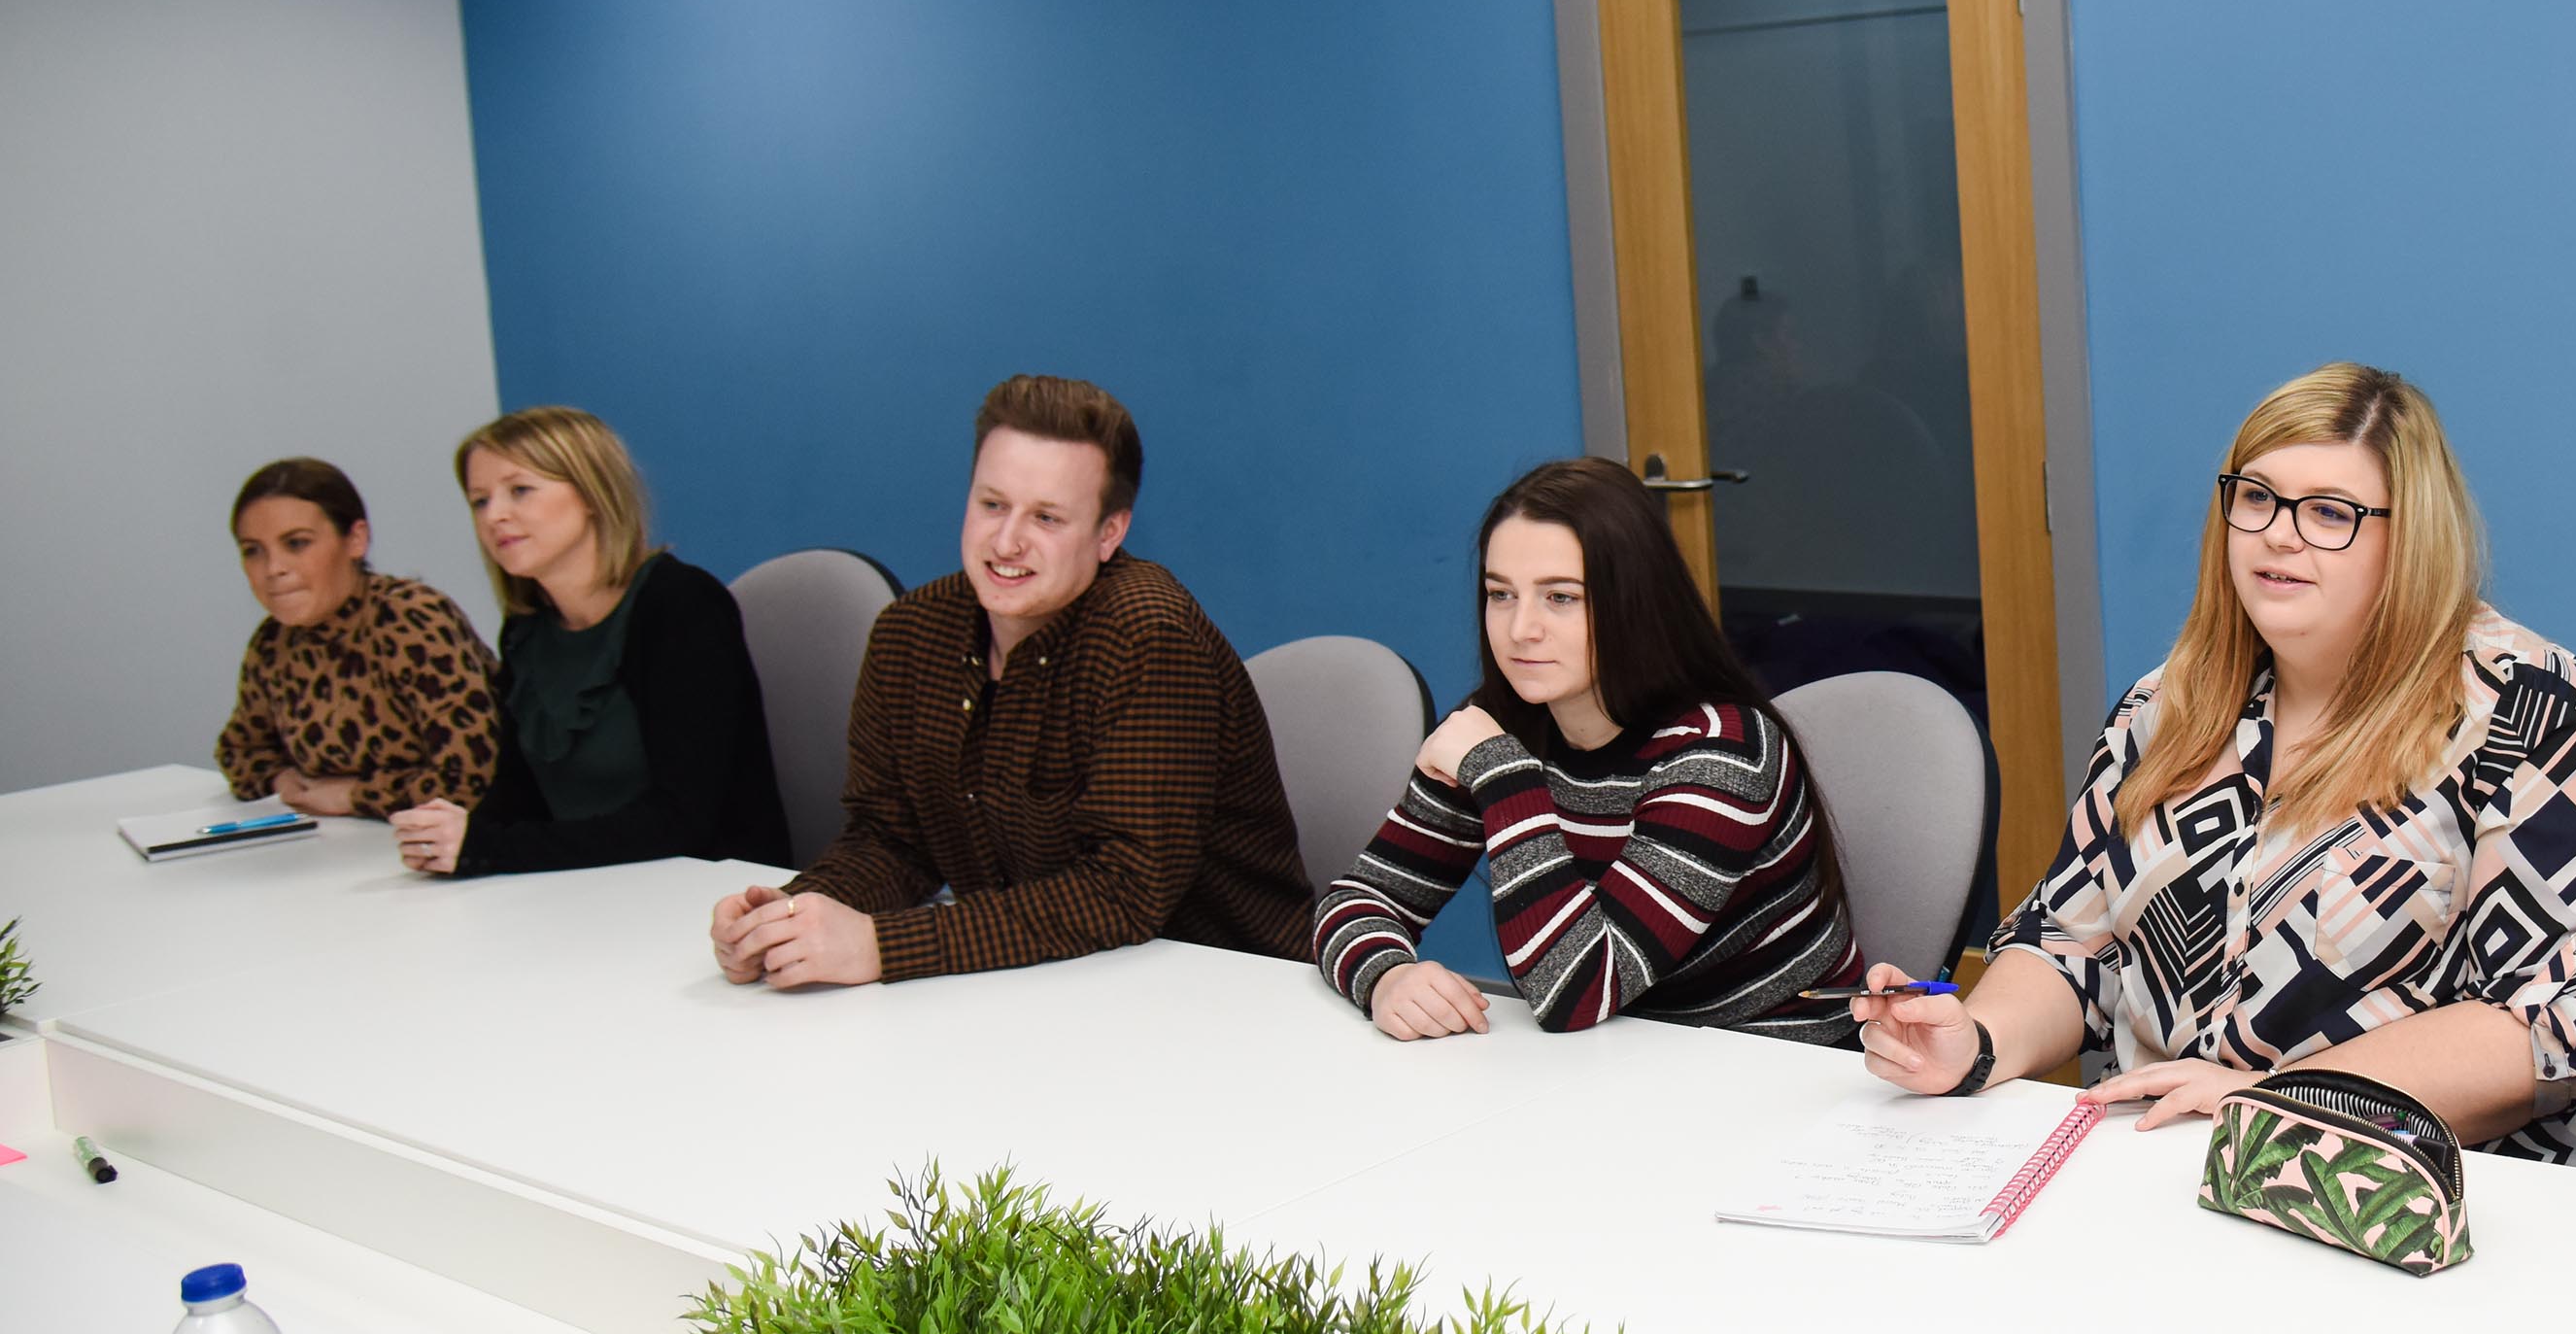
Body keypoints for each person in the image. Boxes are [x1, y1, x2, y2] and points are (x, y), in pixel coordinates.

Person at [1855, 363, 2576, 1169]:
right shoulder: (2168, 703)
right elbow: (2072, 943)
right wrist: (1978, 1042)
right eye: (2257, 498)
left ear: (2408, 536)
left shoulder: (2526, 709)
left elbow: (2559, 1024)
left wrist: (2278, 1096)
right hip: (2172, 1170)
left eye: (2329, 513)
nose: (2279, 534)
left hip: (2438, 1194)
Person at [706, 376, 1308, 989]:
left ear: (1110, 533)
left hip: (1222, 991)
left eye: (1046, 516)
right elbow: (892, 841)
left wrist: (881, 946)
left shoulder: (1148, 637)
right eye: (992, 504)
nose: (1006, 541)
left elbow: (1125, 891)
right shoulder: (909, 636)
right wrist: (791, 918)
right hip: (1036, 987)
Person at [1314, 458, 1866, 1043]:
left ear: (1635, 602)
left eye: (1561, 598)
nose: (1520, 628)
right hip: (1606, 1065)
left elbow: (1578, 992)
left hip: (1775, 1068)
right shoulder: (1497, 729)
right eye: (1501, 594)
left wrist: (1503, 777)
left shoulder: (1724, 752)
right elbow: (1358, 900)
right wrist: (1386, 976)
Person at [389, 409, 788, 879]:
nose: (495, 515)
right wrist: (448, 839)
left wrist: (486, 846)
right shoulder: (527, 629)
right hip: (585, 886)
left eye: (520, 490)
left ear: (592, 493)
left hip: (705, 890)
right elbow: (519, 797)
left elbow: (682, 822)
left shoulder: (681, 605)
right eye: (479, 501)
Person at [216, 457, 499, 821]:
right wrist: (279, 780)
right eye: (253, 551)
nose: (274, 569)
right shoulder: (273, 642)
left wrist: (356, 795)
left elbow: (472, 779)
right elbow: (238, 751)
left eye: (297, 544)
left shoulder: (412, 620)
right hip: (346, 849)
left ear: (356, 540)